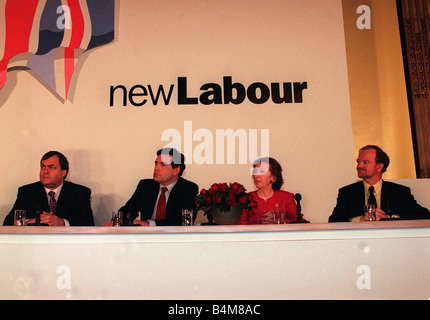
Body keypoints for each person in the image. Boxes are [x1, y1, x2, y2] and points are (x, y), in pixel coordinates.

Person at [329, 145, 430, 222]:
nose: (359, 166)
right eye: (358, 161)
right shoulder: (347, 193)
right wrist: (361, 219)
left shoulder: (399, 192)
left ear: (379, 167)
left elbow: (424, 216)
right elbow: (334, 221)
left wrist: (388, 218)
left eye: (365, 162)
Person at [109, 148, 199, 226]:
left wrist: (151, 224)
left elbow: (184, 220)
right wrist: (116, 221)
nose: (156, 168)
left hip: (175, 239)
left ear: (176, 170)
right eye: (156, 164)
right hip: (146, 239)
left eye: (163, 165)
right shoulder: (146, 186)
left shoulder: (188, 188)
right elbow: (129, 209)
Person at [3, 151, 95, 226]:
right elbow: (8, 223)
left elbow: (88, 224)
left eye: (51, 167)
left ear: (63, 172)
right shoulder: (27, 192)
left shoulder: (80, 193)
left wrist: (62, 223)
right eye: (42, 167)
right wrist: (26, 223)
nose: (45, 171)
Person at [238, 157, 303, 224]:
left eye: (262, 171)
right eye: (255, 171)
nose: (256, 175)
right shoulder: (246, 199)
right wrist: (258, 223)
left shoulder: (286, 198)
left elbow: (299, 221)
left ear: (273, 178)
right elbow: (239, 224)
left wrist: (280, 221)